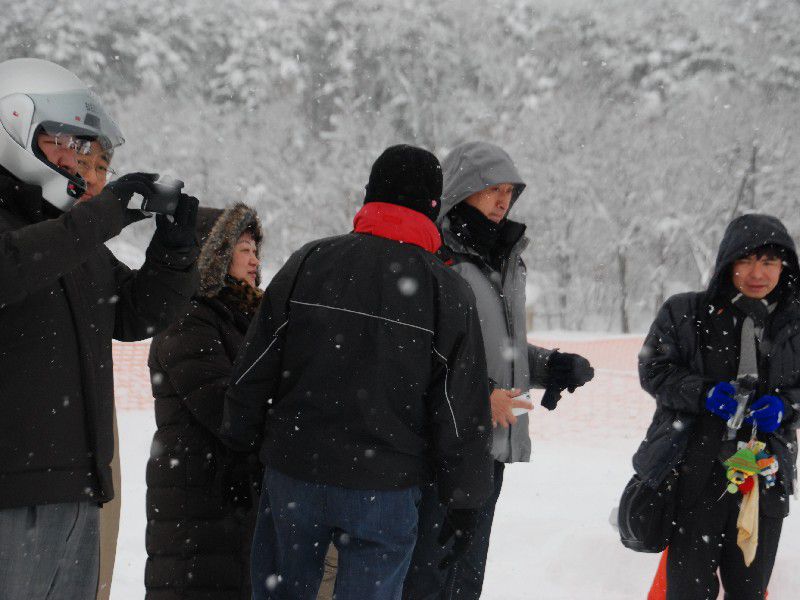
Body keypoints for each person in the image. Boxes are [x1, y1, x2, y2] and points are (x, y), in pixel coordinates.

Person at [221, 144, 494, 600]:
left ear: (369, 195)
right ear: (433, 207)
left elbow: (255, 367)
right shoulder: (447, 291)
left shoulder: (310, 262)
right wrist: (464, 499)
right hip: (384, 490)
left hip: (295, 474)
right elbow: (459, 408)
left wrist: (236, 445)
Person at [0, 58, 200, 599]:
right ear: (15, 125)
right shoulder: (45, 234)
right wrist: (104, 214)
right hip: (12, 490)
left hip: (77, 487)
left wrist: (175, 253)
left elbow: (133, 313)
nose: (82, 162)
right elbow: (11, 269)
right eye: (70, 142)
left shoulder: (69, 238)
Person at [403, 141, 594, 600]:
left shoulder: (506, 258)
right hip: (442, 446)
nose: (503, 201)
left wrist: (550, 365)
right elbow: (422, 349)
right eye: (492, 189)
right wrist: (480, 394)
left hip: (490, 447)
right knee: (427, 579)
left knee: (466, 581)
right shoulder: (436, 256)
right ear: (462, 190)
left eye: (509, 191)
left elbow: (494, 347)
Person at [636, 213, 800, 599]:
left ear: (784, 266)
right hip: (696, 474)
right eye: (746, 260)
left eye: (769, 262)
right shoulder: (686, 313)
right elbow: (654, 369)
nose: (757, 273)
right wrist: (702, 392)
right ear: (727, 262)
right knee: (688, 591)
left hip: (765, 477)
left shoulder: (795, 324)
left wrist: (787, 405)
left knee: (749, 590)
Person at [145, 202, 264, 600]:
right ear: (213, 254)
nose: (255, 259)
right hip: (196, 513)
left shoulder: (239, 320)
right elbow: (225, 408)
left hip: (227, 511)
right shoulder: (188, 317)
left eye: (256, 249)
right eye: (244, 247)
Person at [74, 140, 121, 600]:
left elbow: (134, 312)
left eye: (101, 168)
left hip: (90, 452)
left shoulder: (94, 255)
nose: (92, 178)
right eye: (81, 163)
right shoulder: (21, 239)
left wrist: (175, 251)